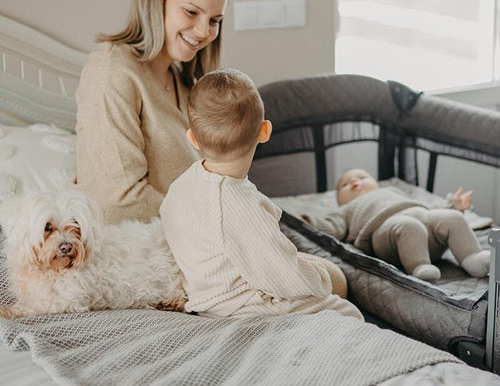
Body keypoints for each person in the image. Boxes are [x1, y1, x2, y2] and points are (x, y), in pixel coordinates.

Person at [160, 69, 363, 319]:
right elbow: (284, 279)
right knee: (346, 309)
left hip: (206, 290)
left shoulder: (181, 186)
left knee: (320, 269)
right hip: (242, 305)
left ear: (192, 139)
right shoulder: (243, 207)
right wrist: (320, 280)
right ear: (264, 131)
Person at [75, 0, 230, 223]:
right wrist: (210, 224)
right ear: (156, 0)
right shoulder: (111, 72)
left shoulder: (184, 82)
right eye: (192, 12)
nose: (204, 31)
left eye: (215, 21)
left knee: (322, 266)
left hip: (201, 237)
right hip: (147, 246)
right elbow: (120, 199)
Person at [303, 168, 490, 281]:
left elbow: (432, 209)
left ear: (376, 183)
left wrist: (453, 207)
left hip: (424, 219)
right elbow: (331, 226)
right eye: (345, 185)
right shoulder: (346, 209)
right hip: (387, 235)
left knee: (452, 218)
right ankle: (420, 266)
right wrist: (304, 221)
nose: (354, 181)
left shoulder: (392, 190)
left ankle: (473, 259)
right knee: (408, 226)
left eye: (361, 177)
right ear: (340, 201)